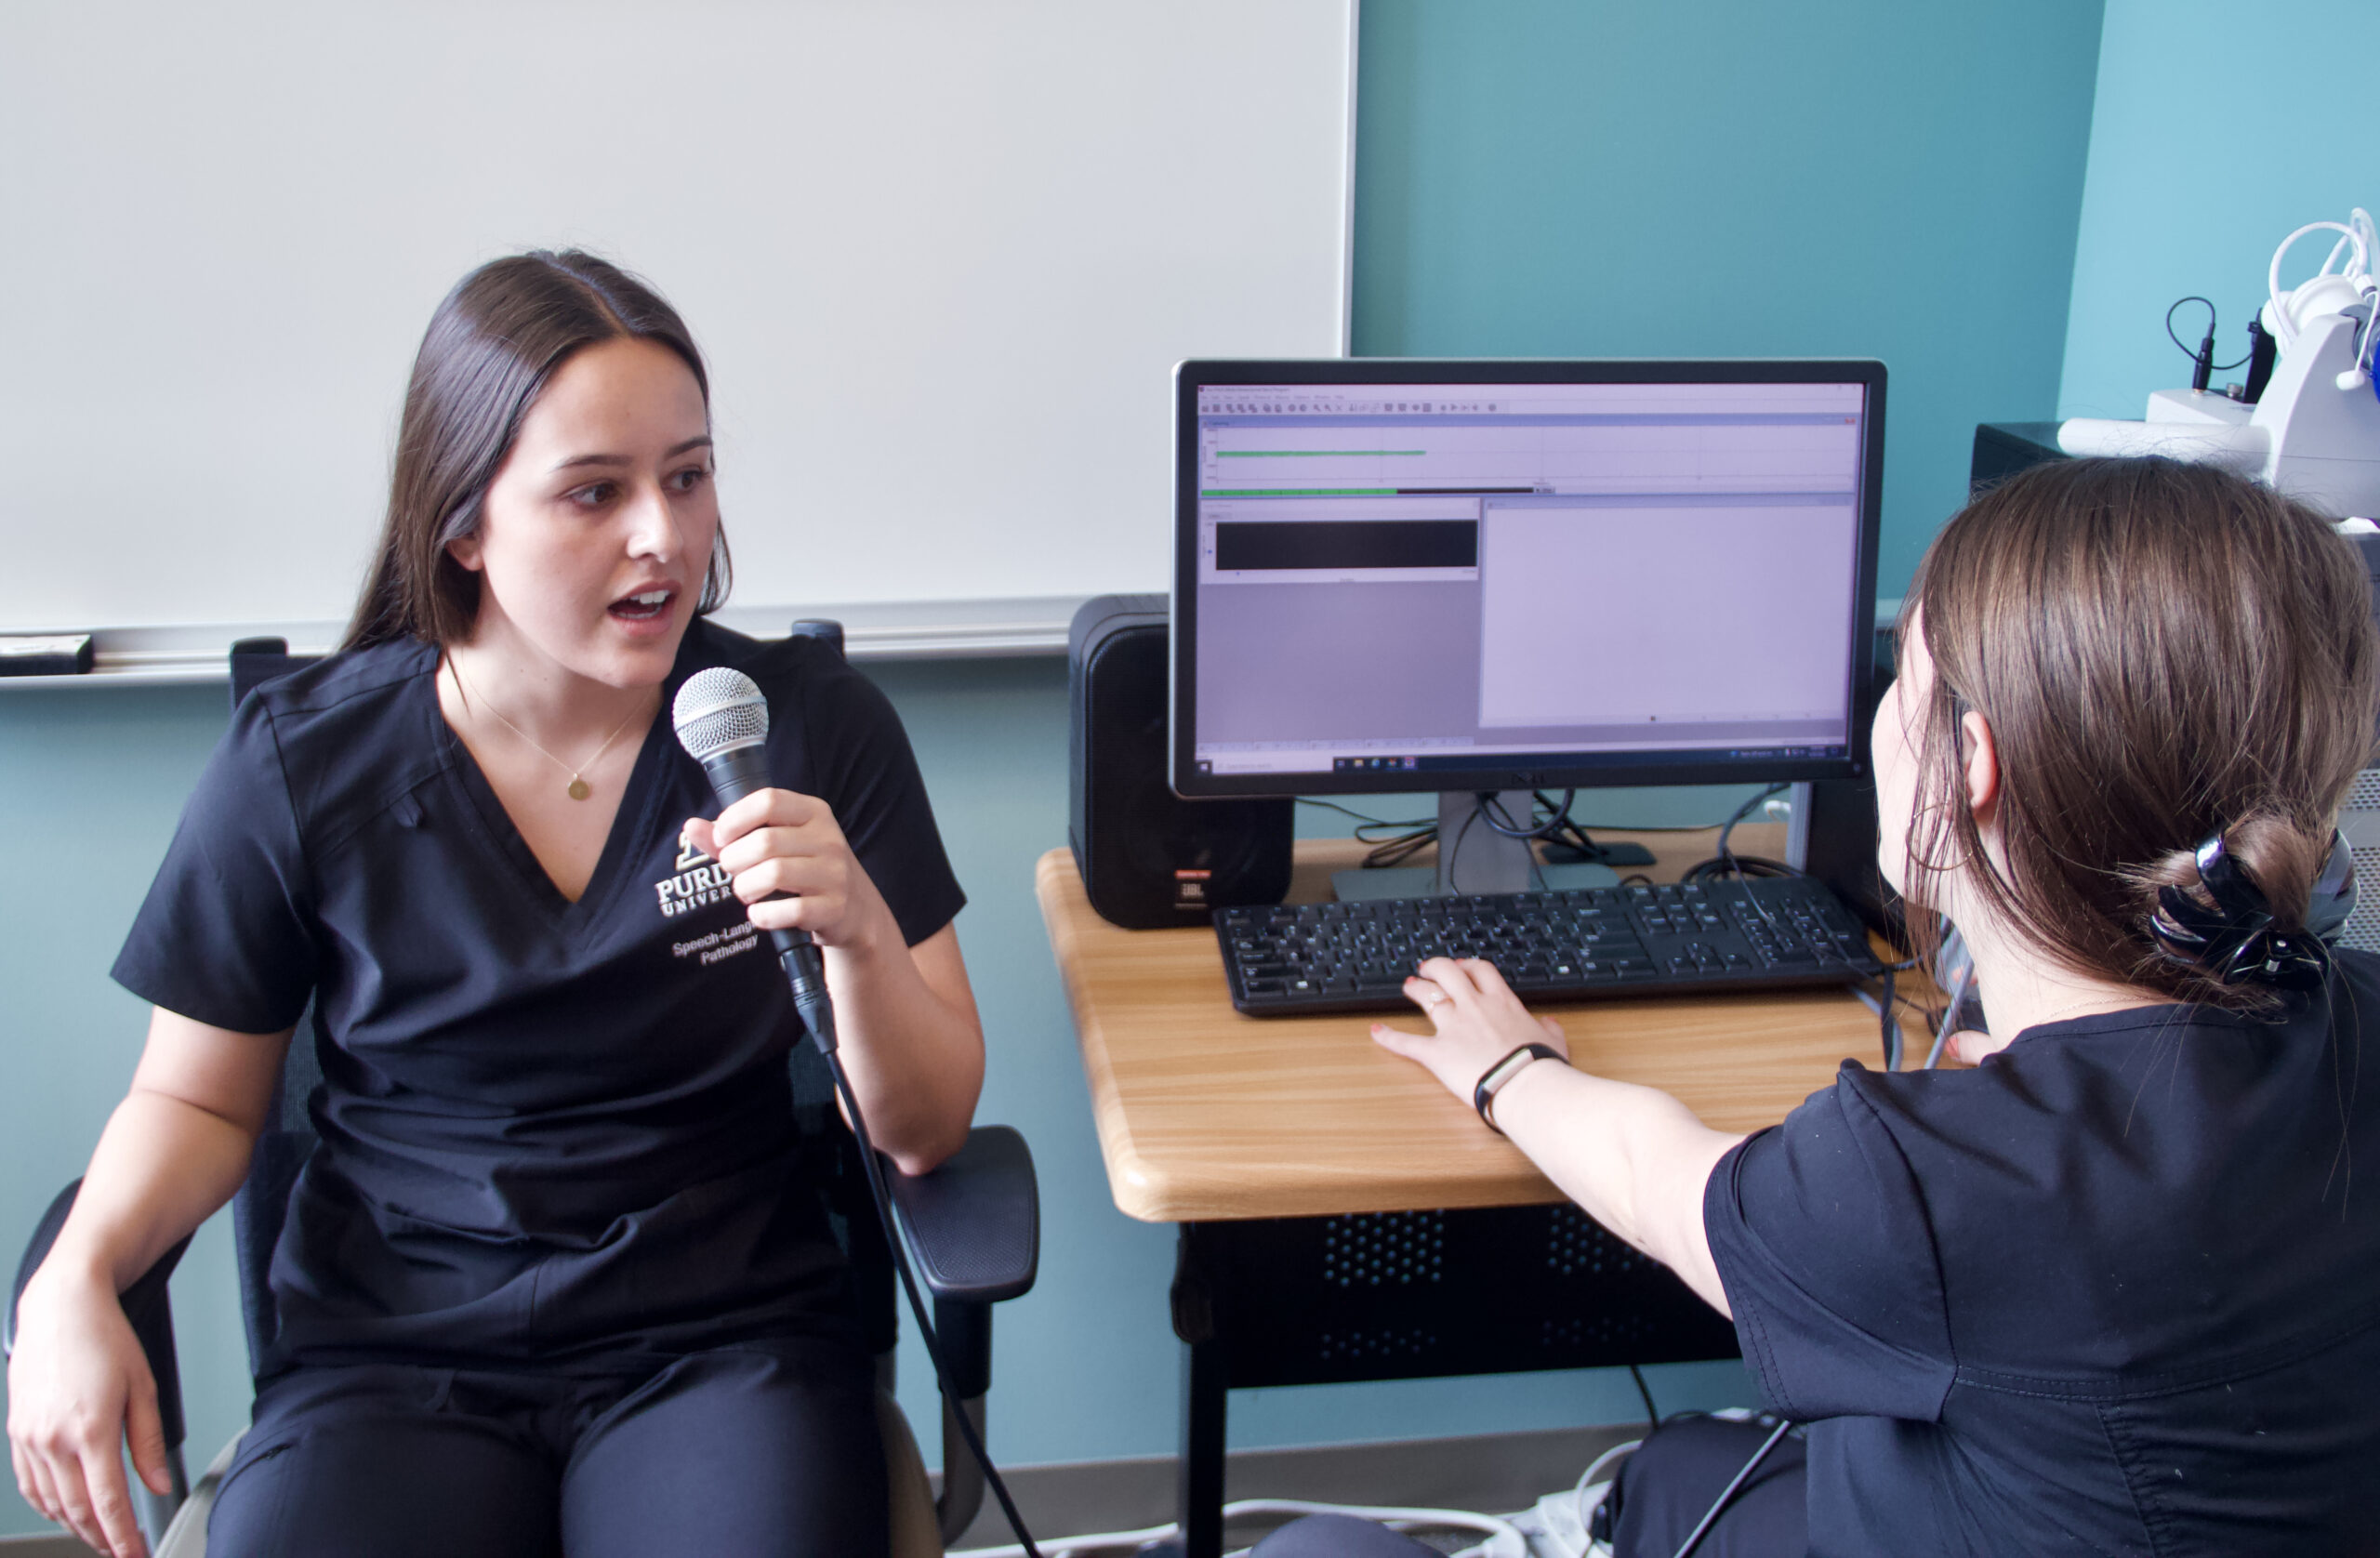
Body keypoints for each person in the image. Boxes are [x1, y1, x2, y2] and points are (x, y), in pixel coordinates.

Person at [7, 250, 983, 1558]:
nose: (665, 535)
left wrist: (857, 930)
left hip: (718, 1346)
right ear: (463, 523)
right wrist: (75, 1279)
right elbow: (194, 1100)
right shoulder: (302, 765)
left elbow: (921, 1131)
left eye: (687, 477)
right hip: (389, 1359)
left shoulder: (804, 728)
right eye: (596, 492)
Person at [1256, 456, 2380, 1556]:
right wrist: (2047, 1100)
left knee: (1313, 1544)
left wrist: (1511, 1069)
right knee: (1685, 1464)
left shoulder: (1925, 1188)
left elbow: (1657, 1181)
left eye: (1906, 678)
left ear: (1964, 768)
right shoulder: (2351, 1011)